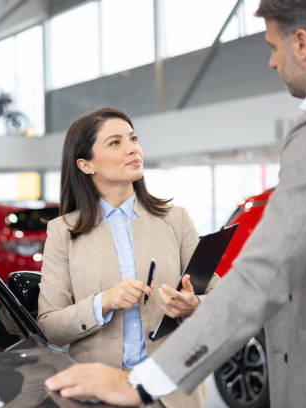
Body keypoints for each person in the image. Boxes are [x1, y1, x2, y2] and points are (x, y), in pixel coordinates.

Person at [44, 1, 306, 407]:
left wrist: (141, 382)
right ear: (84, 164)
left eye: (273, 46)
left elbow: (266, 270)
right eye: (116, 142)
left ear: (302, 42)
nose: (272, 62)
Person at [37, 107, 220, 407]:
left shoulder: (176, 220)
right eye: (115, 142)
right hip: (98, 393)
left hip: (171, 392)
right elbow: (50, 327)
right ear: (85, 164)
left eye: (133, 139)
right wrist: (103, 302)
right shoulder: (62, 232)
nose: (133, 149)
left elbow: (221, 297)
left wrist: (193, 304)